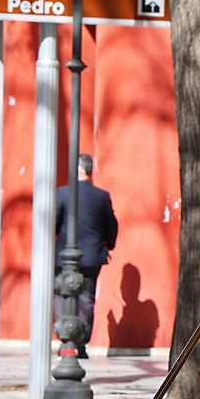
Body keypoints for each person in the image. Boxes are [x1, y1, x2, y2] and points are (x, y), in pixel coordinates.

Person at [55, 152, 119, 357]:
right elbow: (111, 225)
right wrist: (109, 245)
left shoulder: (63, 193)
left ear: (76, 169)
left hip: (64, 255)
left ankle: (66, 340)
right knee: (86, 299)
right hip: (92, 255)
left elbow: (55, 222)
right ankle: (81, 343)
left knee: (62, 295)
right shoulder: (101, 196)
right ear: (90, 170)